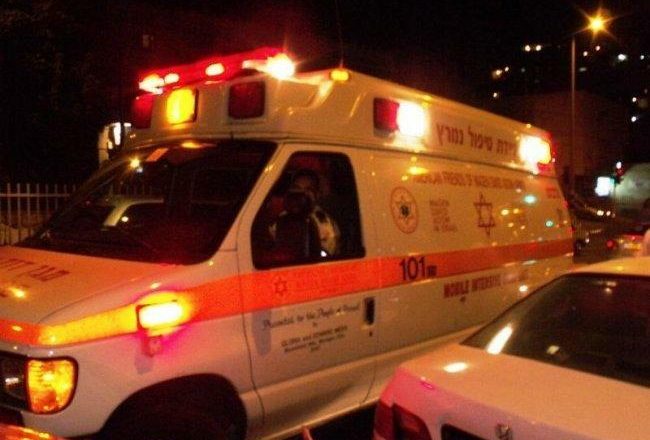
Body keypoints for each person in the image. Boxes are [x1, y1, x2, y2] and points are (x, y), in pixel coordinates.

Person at [270, 170, 341, 257]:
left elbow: (325, 257)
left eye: (308, 189)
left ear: (317, 194)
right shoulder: (282, 217)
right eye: (297, 188)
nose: (302, 193)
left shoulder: (325, 225)